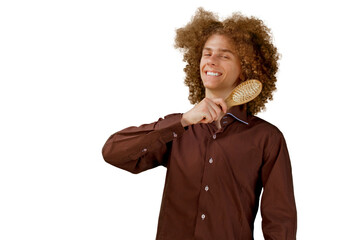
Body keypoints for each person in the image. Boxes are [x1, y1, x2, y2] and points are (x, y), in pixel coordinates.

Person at [102, 8, 297, 240]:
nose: (212, 61)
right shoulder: (177, 127)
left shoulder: (267, 138)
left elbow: (280, 220)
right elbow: (113, 152)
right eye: (207, 53)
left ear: (245, 68)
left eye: (224, 55)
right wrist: (183, 120)